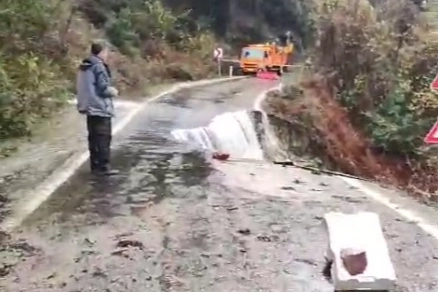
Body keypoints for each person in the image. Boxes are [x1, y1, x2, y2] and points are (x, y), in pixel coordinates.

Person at [76, 41, 119, 175]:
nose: (107, 55)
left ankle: (94, 166)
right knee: (103, 138)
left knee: (93, 138)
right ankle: (103, 167)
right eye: (106, 52)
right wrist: (113, 91)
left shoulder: (85, 65)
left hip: (89, 107)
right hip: (100, 107)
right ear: (102, 52)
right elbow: (102, 88)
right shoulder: (98, 66)